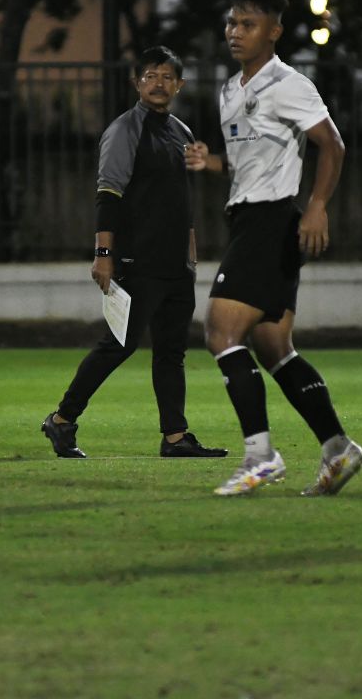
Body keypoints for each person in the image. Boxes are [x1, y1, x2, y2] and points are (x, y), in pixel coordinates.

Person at [184, 0, 362, 496]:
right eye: (232, 22)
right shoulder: (229, 90)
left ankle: (261, 456)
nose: (235, 32)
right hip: (248, 216)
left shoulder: (289, 83)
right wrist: (210, 161)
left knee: (220, 331)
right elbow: (244, 165)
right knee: (273, 346)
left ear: (274, 32)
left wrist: (317, 207)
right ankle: (338, 449)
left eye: (248, 24)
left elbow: (333, 146)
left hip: (272, 220)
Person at [41, 46, 227, 460]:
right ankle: (61, 420)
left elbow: (181, 198)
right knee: (118, 345)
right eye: (150, 75)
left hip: (175, 264)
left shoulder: (180, 130)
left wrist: (190, 252)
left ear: (179, 84)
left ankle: (175, 438)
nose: (158, 83)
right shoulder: (125, 129)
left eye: (167, 76)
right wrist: (103, 252)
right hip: (136, 260)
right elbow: (108, 192)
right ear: (136, 82)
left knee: (171, 352)